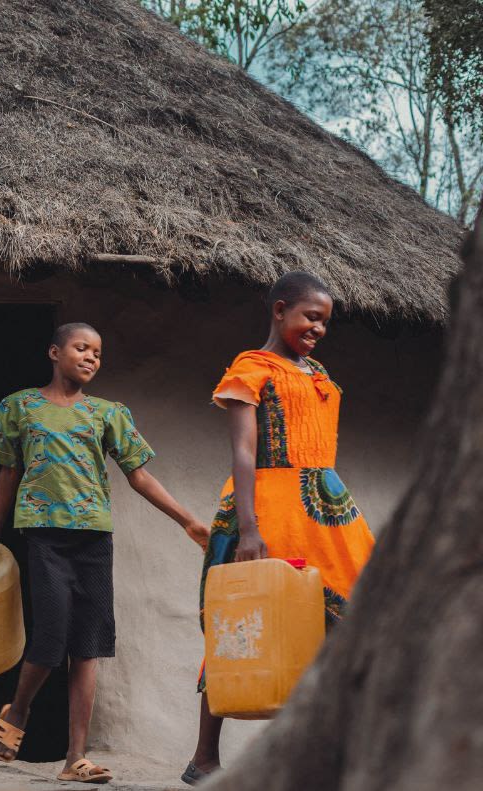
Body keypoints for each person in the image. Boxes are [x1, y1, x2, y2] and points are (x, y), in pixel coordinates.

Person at [0, 322, 210, 785]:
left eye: (98, 353)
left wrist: (186, 520)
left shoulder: (107, 414)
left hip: (94, 539)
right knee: (53, 633)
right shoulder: (20, 407)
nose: (91, 358)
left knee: (89, 646)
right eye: (82, 348)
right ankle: (18, 709)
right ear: (54, 352)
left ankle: (75, 759)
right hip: (43, 533)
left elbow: (139, 476)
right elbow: (7, 473)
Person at [181, 272, 375, 786]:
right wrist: (248, 528)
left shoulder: (316, 370)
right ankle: (203, 758)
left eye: (326, 322)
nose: (319, 329)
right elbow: (243, 450)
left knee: (347, 617)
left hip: (327, 509)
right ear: (279, 309)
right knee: (244, 622)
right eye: (311, 316)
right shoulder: (253, 367)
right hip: (268, 507)